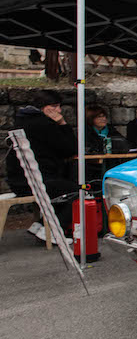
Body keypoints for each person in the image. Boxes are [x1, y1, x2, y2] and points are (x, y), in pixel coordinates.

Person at [5, 90, 77, 240]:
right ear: (45, 107)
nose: (59, 110)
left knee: (62, 187)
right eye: (55, 106)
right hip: (36, 181)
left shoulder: (22, 121)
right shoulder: (44, 124)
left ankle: (39, 225)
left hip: (18, 179)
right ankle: (53, 231)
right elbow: (70, 149)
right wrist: (62, 123)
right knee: (77, 192)